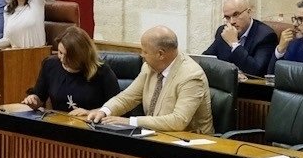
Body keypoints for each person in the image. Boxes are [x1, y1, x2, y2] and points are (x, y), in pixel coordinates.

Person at [82, 28, 213, 133]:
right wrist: (104, 111)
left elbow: (178, 121)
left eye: (145, 51)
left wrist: (130, 122)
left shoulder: (191, 76)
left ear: (161, 54)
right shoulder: (149, 68)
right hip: (155, 136)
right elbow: (127, 98)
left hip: (191, 144)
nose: (141, 55)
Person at [22, 27, 118, 113]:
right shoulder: (50, 65)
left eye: (69, 57)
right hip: (59, 125)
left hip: (91, 127)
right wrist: (33, 100)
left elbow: (117, 108)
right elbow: (39, 97)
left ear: (81, 56)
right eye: (60, 53)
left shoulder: (102, 72)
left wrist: (91, 112)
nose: (62, 59)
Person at [206, 0, 278, 77]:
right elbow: (206, 59)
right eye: (227, 17)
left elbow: (256, 70)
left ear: (249, 12)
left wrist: (234, 44)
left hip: (249, 87)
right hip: (225, 84)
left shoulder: (266, 36)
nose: (232, 21)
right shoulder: (223, 31)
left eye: (236, 14)